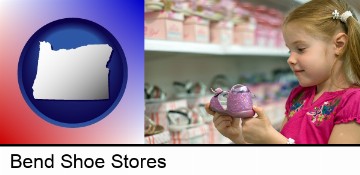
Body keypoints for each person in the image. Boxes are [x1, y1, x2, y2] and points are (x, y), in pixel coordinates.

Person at [205, 0, 360, 144]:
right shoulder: (299, 95)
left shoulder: (353, 102)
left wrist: (272, 139)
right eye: (289, 51)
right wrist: (238, 136)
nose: (290, 59)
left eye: (300, 49)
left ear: (339, 45)